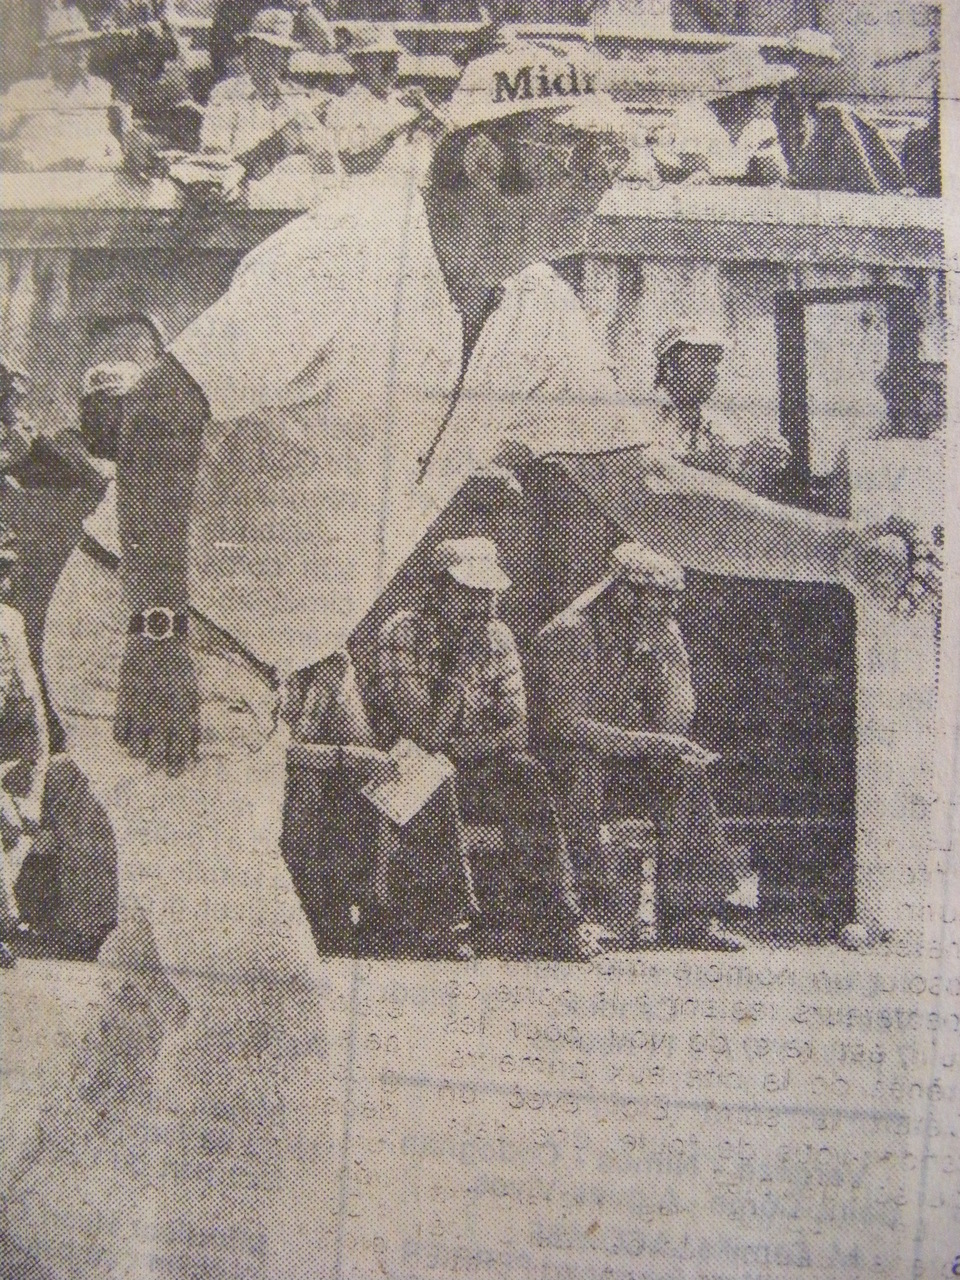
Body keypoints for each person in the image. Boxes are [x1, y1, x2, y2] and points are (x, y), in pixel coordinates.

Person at [41, 40, 938, 973]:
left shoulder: (539, 313)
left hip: (255, 669)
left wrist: (844, 552)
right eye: (575, 155)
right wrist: (153, 634)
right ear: (480, 158)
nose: (604, 176)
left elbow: (654, 494)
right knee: (262, 1003)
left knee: (150, 997)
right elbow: (159, 412)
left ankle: (73, 1130)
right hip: (152, 637)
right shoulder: (351, 249)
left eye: (610, 156)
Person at [366, 537, 601, 960]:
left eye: (487, 593)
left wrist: (461, 746)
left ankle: (556, 919)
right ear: (436, 589)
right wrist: (458, 677)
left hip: (470, 758)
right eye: (468, 592)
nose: (481, 604)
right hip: (401, 766)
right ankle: (445, 920)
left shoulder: (498, 636)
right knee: (430, 771)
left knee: (526, 773)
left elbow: (515, 730)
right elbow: (419, 732)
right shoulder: (402, 630)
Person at [528, 542, 751, 950]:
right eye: (661, 598)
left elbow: (675, 721)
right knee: (583, 767)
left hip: (622, 760)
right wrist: (660, 742)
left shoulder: (654, 633)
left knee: (685, 771)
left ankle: (691, 917)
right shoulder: (571, 633)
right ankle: (586, 915)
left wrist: (671, 656)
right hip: (562, 764)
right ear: (625, 593)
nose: (671, 609)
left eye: (674, 599)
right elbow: (568, 727)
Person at [0, 551, 118, 966]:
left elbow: (29, 696)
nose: (6, 580)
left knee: (18, 829)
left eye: (8, 570)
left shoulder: (9, 623)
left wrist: (36, 762)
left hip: (8, 751)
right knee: (9, 826)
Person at [647, 325, 791, 497]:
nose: (712, 371)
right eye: (702, 360)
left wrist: (759, 460)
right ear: (670, 367)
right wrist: (729, 459)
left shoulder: (710, 421)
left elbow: (734, 470)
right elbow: (657, 474)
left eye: (715, 361)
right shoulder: (647, 417)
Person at [199, 6, 337, 178]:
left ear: (285, 60)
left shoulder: (296, 100)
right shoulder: (227, 94)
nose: (268, 60)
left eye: (276, 53)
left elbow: (326, 160)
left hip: (293, 192)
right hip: (243, 192)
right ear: (247, 56)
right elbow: (215, 159)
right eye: (261, 50)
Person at [0, 6, 122, 172]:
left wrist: (110, 158)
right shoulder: (25, 93)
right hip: (38, 185)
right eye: (70, 48)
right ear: (51, 53)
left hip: (90, 184)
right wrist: (15, 156)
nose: (81, 53)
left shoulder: (99, 89)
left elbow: (107, 138)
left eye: (85, 45)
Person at [652, 48, 794, 186]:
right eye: (766, 93)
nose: (774, 98)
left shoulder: (761, 125)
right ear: (739, 97)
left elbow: (776, 172)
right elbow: (695, 172)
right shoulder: (694, 117)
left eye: (775, 91)